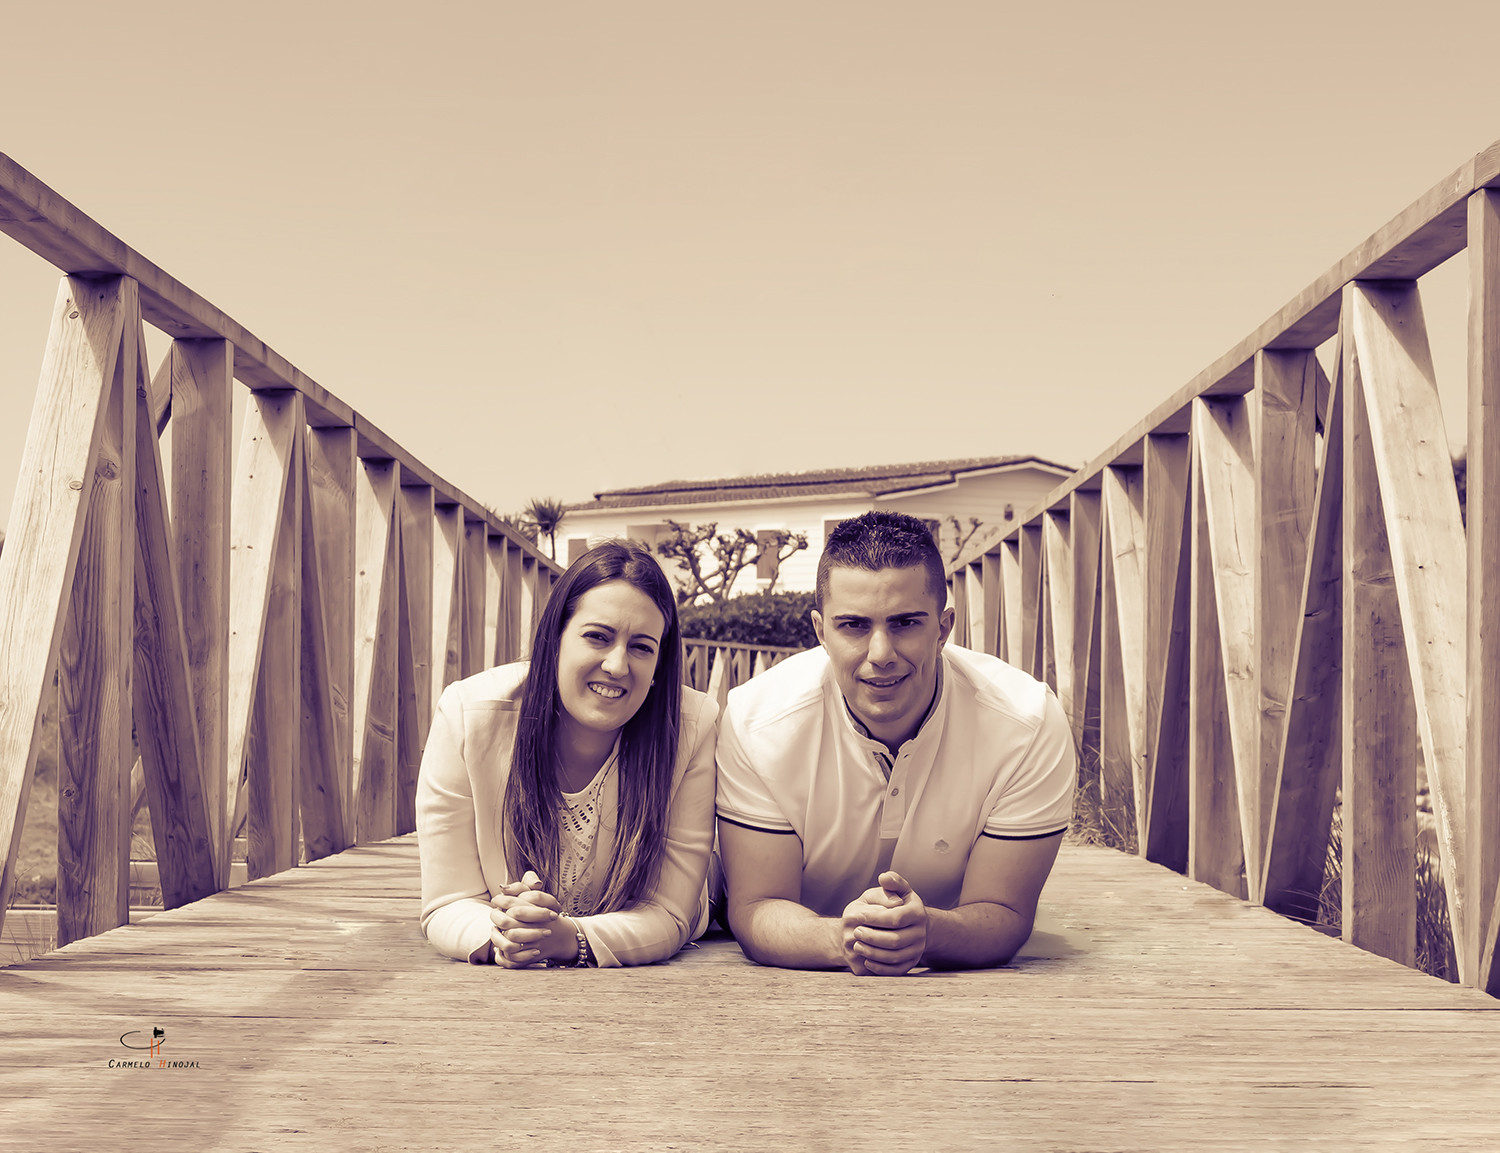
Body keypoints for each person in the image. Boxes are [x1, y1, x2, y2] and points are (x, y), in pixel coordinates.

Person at [715, 510, 1076, 975]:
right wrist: (846, 938)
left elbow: (1005, 913)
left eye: (905, 623)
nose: (881, 655)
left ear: (943, 628)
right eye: (854, 626)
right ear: (821, 632)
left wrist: (928, 933)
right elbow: (757, 906)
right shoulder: (756, 722)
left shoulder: (1027, 722)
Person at [416, 539, 717, 968]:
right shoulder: (467, 715)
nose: (617, 665)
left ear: (658, 668)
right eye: (597, 636)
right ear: (554, 639)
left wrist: (570, 939)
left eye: (642, 647)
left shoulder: (693, 723)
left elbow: (670, 911)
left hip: (708, 895)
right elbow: (447, 901)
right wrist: (504, 934)